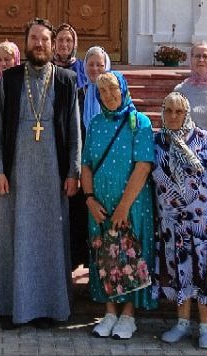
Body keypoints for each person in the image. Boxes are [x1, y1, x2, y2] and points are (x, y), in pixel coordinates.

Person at [0, 19, 82, 328]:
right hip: (16, 177)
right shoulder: (11, 79)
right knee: (13, 240)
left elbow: (75, 133)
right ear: (26, 43)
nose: (39, 44)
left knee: (49, 242)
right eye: (33, 39)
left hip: (53, 178)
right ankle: (11, 307)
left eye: (44, 39)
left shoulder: (66, 80)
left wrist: (73, 172)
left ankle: (49, 308)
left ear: (52, 45)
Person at [153, 91, 207, 350]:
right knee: (179, 270)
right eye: (168, 110)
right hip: (171, 223)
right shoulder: (157, 141)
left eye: (179, 111)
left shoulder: (201, 139)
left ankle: (206, 327)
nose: (173, 116)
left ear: (187, 113)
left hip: (203, 222)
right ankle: (182, 323)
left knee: (203, 271)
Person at [81, 71, 156, 339]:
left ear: (123, 90)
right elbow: (86, 164)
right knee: (104, 255)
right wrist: (89, 198)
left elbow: (143, 166)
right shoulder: (95, 123)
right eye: (102, 91)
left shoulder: (140, 122)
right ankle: (110, 312)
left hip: (132, 204)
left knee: (130, 256)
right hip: (100, 205)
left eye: (113, 89)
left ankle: (128, 315)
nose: (109, 95)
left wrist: (124, 206)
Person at [70, 45, 113, 273]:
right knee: (80, 216)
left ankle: (102, 271)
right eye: (91, 64)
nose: (95, 69)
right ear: (84, 66)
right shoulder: (78, 94)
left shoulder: (113, 97)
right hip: (82, 166)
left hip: (106, 168)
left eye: (100, 65)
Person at [53, 23, 89, 89]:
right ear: (54, 43)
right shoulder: (47, 67)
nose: (64, 44)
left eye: (68, 40)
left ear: (74, 43)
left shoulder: (83, 67)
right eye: (60, 40)